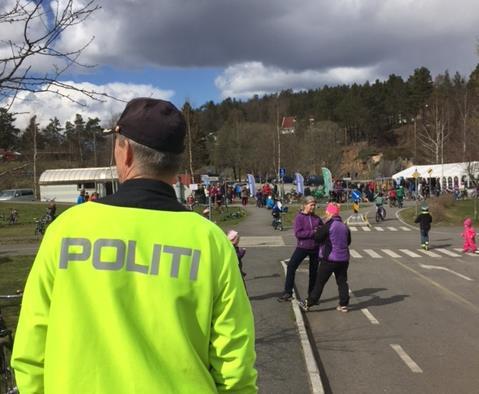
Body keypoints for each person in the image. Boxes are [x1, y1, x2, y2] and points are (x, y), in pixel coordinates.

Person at [12, 98, 257, 393]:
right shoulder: (210, 240)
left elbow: (30, 347)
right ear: (177, 161)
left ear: (124, 151)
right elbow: (235, 364)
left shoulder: (67, 229)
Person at [299, 202, 351, 312]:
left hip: (330, 259)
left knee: (320, 282)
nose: (325, 214)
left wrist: (320, 234)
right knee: (342, 281)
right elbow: (348, 241)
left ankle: (309, 302)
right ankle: (344, 304)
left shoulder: (328, 225)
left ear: (331, 213)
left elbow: (317, 238)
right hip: (343, 259)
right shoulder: (344, 226)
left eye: (327, 212)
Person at [278, 196, 322, 302]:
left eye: (314, 205)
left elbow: (322, 229)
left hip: (315, 248)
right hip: (303, 247)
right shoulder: (299, 218)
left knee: (314, 272)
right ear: (305, 205)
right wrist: (313, 232)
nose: (313, 207)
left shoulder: (316, 218)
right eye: (311, 205)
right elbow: (298, 234)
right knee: (291, 267)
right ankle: (288, 292)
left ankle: (312, 296)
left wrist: (321, 230)